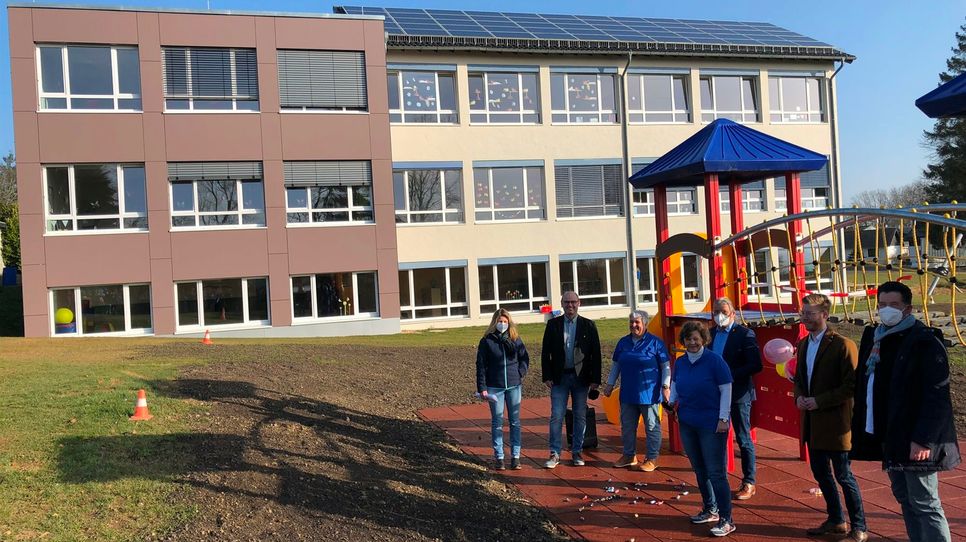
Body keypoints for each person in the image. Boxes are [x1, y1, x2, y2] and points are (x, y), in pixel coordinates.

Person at [851, 281, 960, 542]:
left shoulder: (924, 342)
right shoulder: (877, 339)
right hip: (891, 433)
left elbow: (936, 396)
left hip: (917, 438)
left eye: (894, 305)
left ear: (908, 309)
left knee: (925, 502)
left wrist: (923, 439)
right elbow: (865, 384)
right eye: (882, 305)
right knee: (904, 498)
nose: (887, 310)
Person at [793, 293, 868, 542]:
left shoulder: (843, 345)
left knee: (844, 476)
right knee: (820, 473)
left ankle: (859, 525)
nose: (805, 318)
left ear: (825, 315)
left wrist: (819, 401)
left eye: (810, 314)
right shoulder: (804, 344)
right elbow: (800, 379)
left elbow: (851, 385)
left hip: (836, 423)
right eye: (803, 313)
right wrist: (800, 397)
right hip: (813, 424)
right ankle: (836, 519)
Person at [669, 320, 736, 537]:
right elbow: (676, 386)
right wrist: (671, 402)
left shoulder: (715, 361)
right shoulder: (680, 362)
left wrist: (723, 418)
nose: (692, 342)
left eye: (696, 338)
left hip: (711, 422)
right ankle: (710, 509)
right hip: (688, 421)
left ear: (704, 339)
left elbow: (726, 389)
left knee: (716, 472)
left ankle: (727, 519)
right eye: (688, 339)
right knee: (700, 469)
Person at [602, 310, 670, 472]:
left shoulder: (655, 343)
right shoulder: (623, 343)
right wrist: (610, 384)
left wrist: (666, 387)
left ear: (645, 323)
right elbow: (616, 365)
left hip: (649, 394)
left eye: (637, 322)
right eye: (631, 322)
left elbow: (665, 367)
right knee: (627, 426)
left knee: (652, 426)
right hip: (628, 394)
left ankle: (652, 458)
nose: (633, 325)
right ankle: (628, 455)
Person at [709, 297, 763, 500]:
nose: (718, 316)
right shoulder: (711, 333)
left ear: (732, 313)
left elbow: (755, 365)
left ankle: (749, 481)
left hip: (739, 392)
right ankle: (719, 478)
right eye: (715, 312)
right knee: (717, 436)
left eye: (723, 311)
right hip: (716, 394)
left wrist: (730, 375)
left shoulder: (744, 334)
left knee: (743, 437)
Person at [541, 290, 602, 468]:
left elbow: (595, 354)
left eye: (573, 302)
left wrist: (595, 380)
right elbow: (546, 353)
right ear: (562, 304)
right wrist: (547, 376)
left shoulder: (588, 326)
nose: (570, 305)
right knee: (557, 416)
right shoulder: (553, 325)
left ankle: (577, 452)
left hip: (581, 379)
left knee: (580, 416)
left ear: (579, 303)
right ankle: (554, 453)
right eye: (567, 302)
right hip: (559, 378)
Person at [476, 308, 530, 471]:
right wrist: (482, 388)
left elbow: (524, 358)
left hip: (514, 385)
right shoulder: (486, 341)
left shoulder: (515, 339)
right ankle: (499, 456)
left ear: (509, 323)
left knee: (515, 421)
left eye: (505, 322)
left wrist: (520, 373)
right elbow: (481, 366)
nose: (502, 324)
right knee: (497, 422)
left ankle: (515, 456)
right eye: (500, 321)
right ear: (495, 322)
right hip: (495, 387)